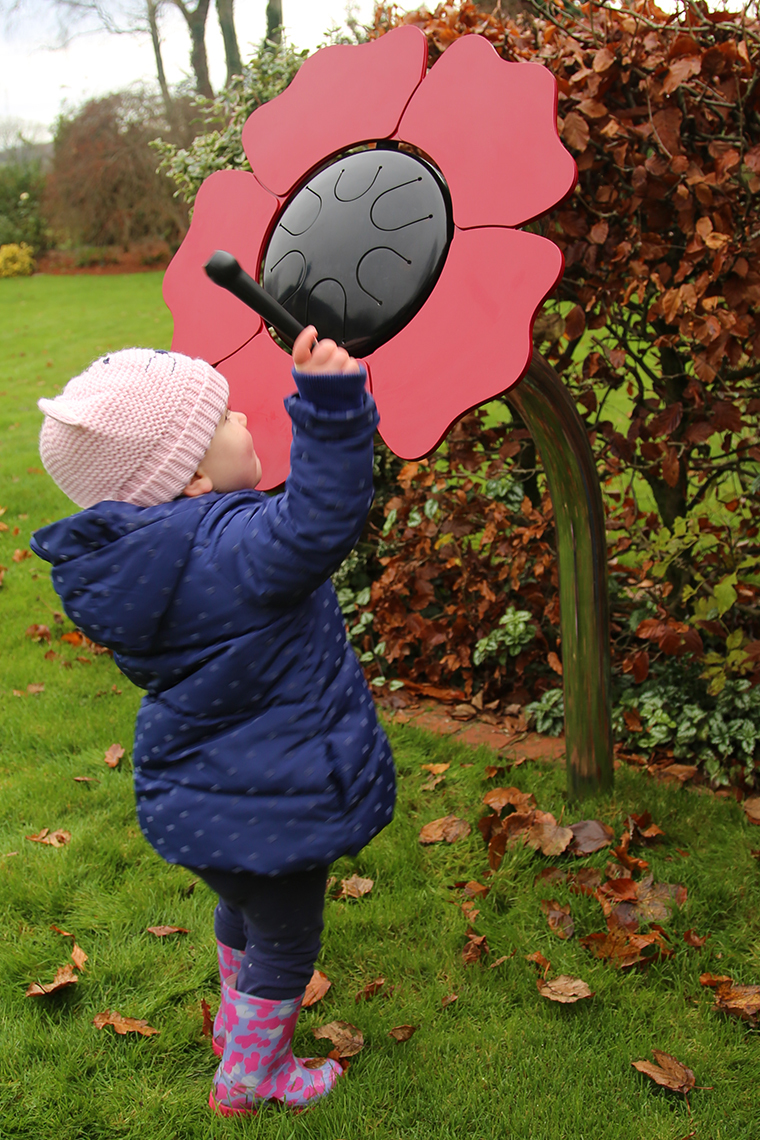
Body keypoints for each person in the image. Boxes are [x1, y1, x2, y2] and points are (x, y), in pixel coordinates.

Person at [30, 327, 396, 1116]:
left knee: (244, 904)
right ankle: (252, 1076)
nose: (243, 421)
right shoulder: (234, 547)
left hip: (204, 803)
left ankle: (239, 1026)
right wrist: (332, 407)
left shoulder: (140, 565)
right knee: (290, 937)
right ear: (191, 476)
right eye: (224, 418)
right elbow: (319, 520)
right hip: (276, 795)